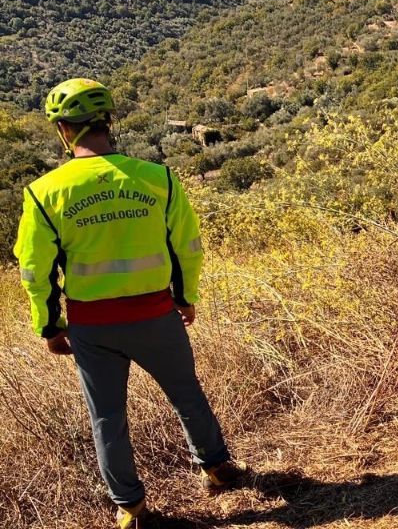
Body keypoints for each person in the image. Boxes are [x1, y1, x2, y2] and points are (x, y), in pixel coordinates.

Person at [14, 78, 245, 528]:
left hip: (92, 326)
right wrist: (186, 298)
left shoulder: (43, 193)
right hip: (157, 314)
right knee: (186, 394)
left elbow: (34, 270)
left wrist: (48, 326)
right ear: (109, 122)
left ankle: (131, 508)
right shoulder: (159, 178)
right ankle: (217, 467)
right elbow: (188, 248)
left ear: (64, 130)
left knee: (107, 418)